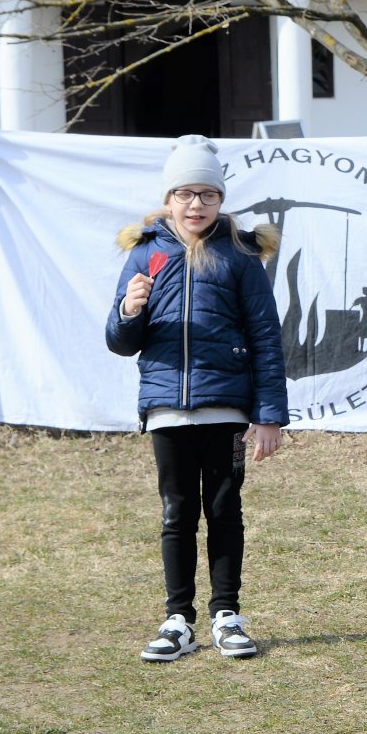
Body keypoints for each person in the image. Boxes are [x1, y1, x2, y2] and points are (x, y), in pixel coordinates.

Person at [106, 135, 287, 661]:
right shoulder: (144, 252)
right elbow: (119, 342)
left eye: (208, 194)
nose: (196, 205)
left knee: (225, 510)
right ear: (169, 198)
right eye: (185, 193)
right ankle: (177, 619)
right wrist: (129, 311)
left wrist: (269, 415)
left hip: (227, 409)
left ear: (221, 199)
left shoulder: (240, 256)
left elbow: (266, 338)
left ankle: (226, 613)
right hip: (165, 411)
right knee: (177, 513)